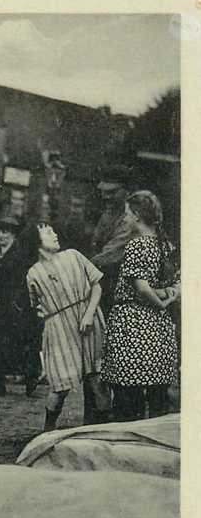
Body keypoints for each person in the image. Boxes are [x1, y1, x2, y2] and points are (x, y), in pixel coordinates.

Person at [102, 191, 180, 422]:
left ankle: (128, 445)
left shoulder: (137, 245)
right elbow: (179, 283)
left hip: (133, 327)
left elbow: (142, 288)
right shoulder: (166, 246)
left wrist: (160, 302)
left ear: (136, 216)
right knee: (158, 394)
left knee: (127, 395)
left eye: (127, 214)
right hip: (159, 329)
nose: (124, 219)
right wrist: (168, 298)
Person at [26, 223, 111, 431]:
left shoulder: (73, 255)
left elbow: (97, 286)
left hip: (88, 322)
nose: (55, 234)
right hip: (59, 330)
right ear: (37, 242)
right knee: (60, 385)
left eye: (54, 230)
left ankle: (103, 431)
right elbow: (36, 305)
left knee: (97, 379)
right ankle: (48, 429)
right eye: (48, 232)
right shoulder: (33, 274)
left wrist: (89, 313)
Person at [0, 216, 41, 397]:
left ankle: (30, 378)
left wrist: (21, 301)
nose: (1, 236)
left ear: (14, 235)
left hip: (17, 304)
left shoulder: (21, 254)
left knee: (23, 341)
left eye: (5, 232)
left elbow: (26, 279)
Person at [89, 166, 139, 315]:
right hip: (108, 284)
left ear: (127, 193)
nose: (105, 197)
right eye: (103, 192)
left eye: (111, 192)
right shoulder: (110, 213)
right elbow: (95, 244)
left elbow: (106, 257)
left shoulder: (130, 220)